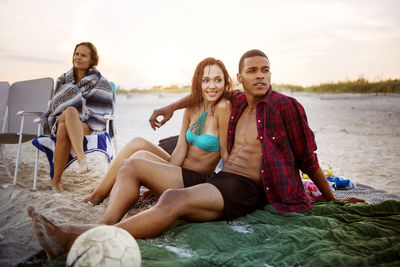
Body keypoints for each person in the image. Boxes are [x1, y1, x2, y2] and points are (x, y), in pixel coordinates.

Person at [28, 49, 364, 260]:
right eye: (253, 70)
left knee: (173, 199)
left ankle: (78, 237)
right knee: (144, 176)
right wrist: (170, 106)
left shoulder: (287, 107)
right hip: (223, 181)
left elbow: (309, 159)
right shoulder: (236, 103)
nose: (260, 75)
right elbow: (200, 95)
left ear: (270, 74)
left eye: (265, 69)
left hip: (248, 189)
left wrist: (330, 199)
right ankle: (101, 223)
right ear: (241, 78)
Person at [83, 57, 232, 205]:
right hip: (178, 170)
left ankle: (104, 195)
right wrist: (161, 178)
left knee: (135, 163)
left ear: (225, 82)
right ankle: (98, 194)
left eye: (218, 80)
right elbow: (180, 150)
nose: (212, 86)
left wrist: (229, 189)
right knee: (138, 145)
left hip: (195, 180)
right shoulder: (191, 108)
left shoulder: (223, 107)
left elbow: (225, 152)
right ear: (198, 82)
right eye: (206, 80)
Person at [42, 42, 114, 192]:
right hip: (61, 116)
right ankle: (82, 159)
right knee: (69, 111)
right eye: (76, 54)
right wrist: (71, 108)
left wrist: (77, 112)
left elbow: (102, 109)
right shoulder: (63, 80)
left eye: (83, 55)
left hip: (88, 123)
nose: (78, 58)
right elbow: (56, 104)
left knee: (63, 128)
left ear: (92, 61)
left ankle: (56, 182)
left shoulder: (101, 82)